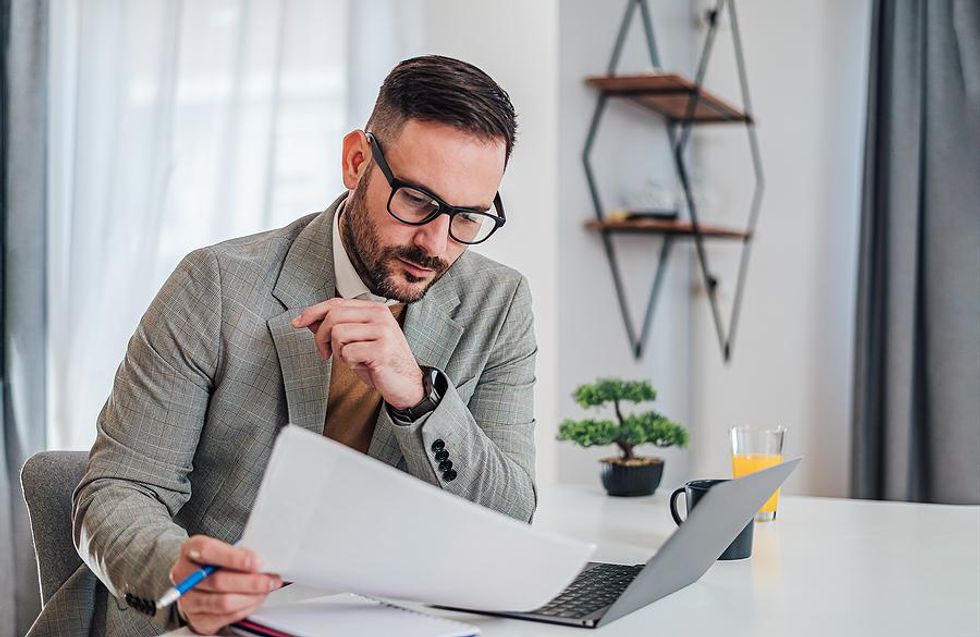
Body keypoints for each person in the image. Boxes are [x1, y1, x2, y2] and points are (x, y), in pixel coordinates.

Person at [50, 55, 537, 637]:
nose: (435, 243)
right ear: (356, 162)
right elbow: (116, 492)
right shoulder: (216, 286)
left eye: (469, 217)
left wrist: (419, 399)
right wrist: (181, 582)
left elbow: (509, 521)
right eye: (416, 200)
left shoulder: (499, 302)